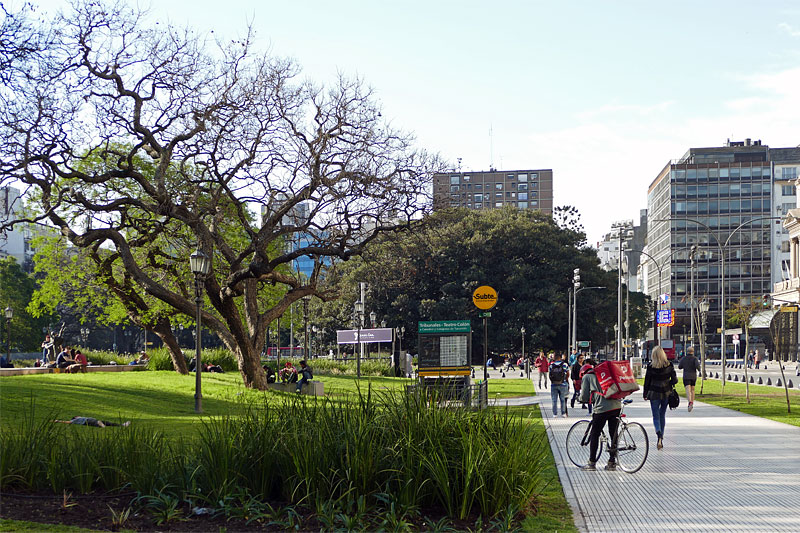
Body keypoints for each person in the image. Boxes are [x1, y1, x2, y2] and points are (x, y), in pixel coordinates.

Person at [578, 358, 622, 471]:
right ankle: (612, 462)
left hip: (601, 408)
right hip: (616, 406)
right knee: (613, 433)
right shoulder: (606, 374)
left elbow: (584, 396)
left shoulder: (587, 377)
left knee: (595, 434)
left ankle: (592, 463)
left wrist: (581, 400)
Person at [643, 346, 678, 450]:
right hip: (666, 392)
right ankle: (661, 437)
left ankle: (658, 433)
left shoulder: (650, 366)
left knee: (656, 416)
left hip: (654, 393)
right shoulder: (669, 365)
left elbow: (647, 381)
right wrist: (669, 383)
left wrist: (645, 393)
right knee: (662, 415)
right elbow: (675, 380)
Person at [678, 346, 700, 412]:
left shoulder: (684, 359)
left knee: (688, 389)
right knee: (692, 389)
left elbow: (679, 367)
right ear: (693, 352)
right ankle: (692, 402)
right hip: (693, 376)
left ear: (687, 352)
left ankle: (689, 402)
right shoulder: (695, 359)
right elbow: (698, 367)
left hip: (686, 376)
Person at [548, 353, 570, 418]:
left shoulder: (551, 365)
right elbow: (568, 374)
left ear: (554, 358)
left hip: (554, 384)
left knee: (554, 400)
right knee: (562, 399)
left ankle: (555, 414)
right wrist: (565, 380)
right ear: (560, 358)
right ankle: (563, 413)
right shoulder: (565, 364)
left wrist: (553, 381)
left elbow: (550, 375)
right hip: (563, 384)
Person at [54, 416, 130, 428]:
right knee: (95, 423)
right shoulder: (74, 420)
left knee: (108, 423)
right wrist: (58, 421)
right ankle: (100, 425)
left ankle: (122, 425)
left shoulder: (79, 418)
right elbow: (68, 422)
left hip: (93, 420)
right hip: (87, 421)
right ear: (76, 417)